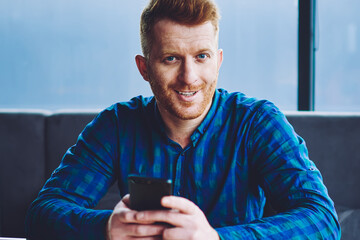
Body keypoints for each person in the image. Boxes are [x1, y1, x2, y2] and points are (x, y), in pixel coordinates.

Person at [25, 0, 341, 239]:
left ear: (217, 62)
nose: (188, 78)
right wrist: (106, 226)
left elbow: (322, 220)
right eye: (171, 58)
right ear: (144, 68)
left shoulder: (257, 122)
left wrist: (216, 238)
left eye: (201, 57)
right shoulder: (116, 125)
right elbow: (42, 214)